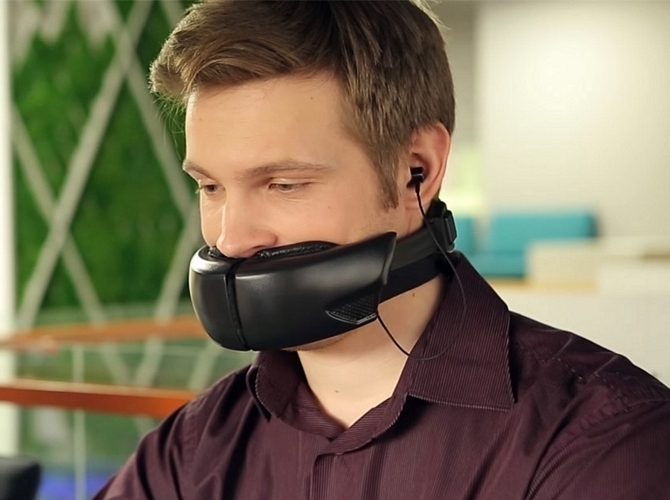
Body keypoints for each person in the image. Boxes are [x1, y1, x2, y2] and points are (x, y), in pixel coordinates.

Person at [94, 1, 670, 498]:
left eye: (284, 184)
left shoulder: (605, 442)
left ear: (416, 169)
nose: (231, 238)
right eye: (210, 187)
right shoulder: (190, 452)